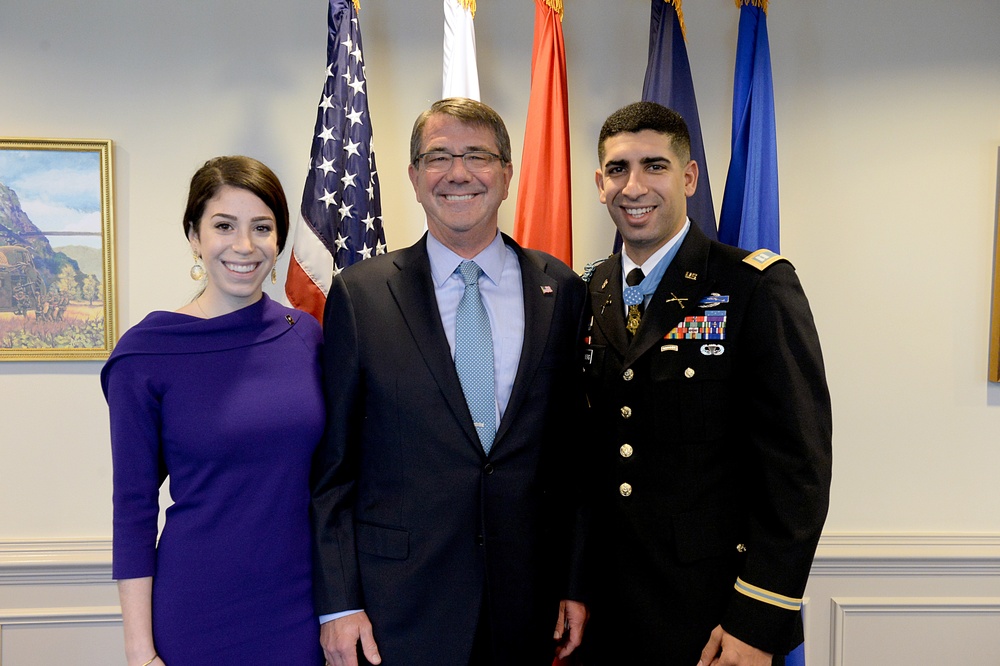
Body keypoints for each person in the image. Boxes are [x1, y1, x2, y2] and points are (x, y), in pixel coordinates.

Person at [311, 97, 589, 666]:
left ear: (506, 175)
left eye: (478, 156)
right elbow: (333, 469)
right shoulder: (361, 295)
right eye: (438, 157)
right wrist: (338, 604)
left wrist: (574, 581)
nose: (458, 173)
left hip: (527, 603)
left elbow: (572, 459)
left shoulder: (560, 289)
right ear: (413, 178)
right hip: (398, 608)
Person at [579, 101, 832, 665]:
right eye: (618, 169)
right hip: (609, 616)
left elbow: (798, 471)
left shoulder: (754, 287)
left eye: (655, 166)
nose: (634, 186)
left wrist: (758, 621)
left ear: (689, 177)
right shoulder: (588, 290)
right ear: (599, 184)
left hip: (716, 619)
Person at [101, 156, 325, 666]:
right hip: (199, 611)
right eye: (224, 226)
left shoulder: (305, 336)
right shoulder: (145, 352)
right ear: (194, 236)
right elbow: (132, 509)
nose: (244, 246)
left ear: (279, 240)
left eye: (262, 228)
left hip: (303, 604)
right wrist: (140, 651)